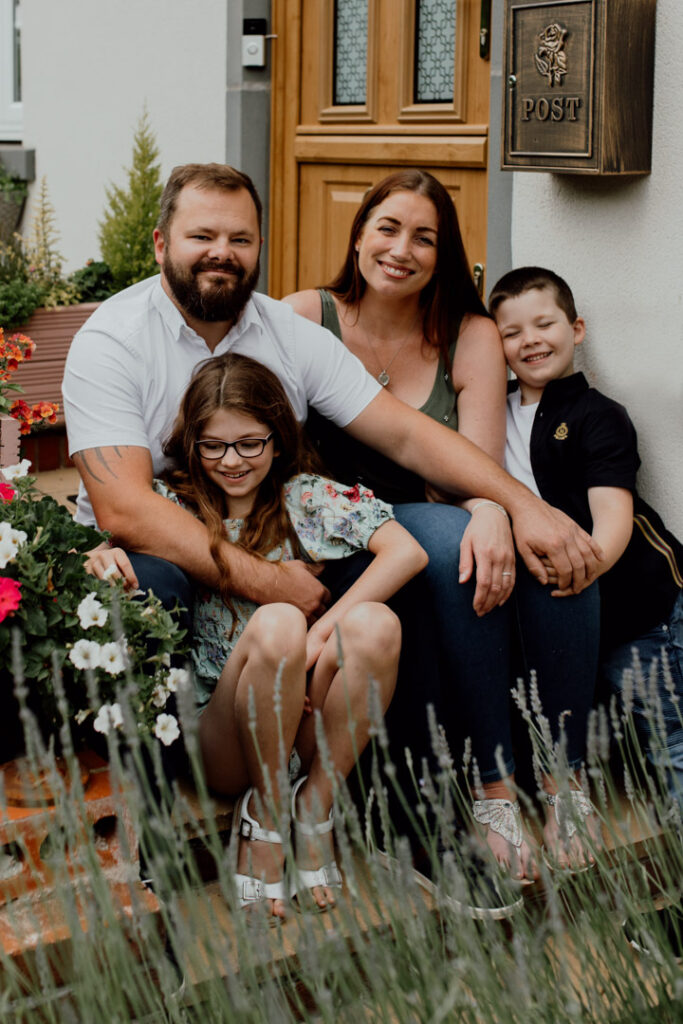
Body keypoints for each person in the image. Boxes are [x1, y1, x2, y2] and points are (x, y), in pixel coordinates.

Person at [283, 170, 601, 877]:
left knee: (554, 550)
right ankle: (491, 790)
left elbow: (474, 465)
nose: (402, 249)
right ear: (358, 234)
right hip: (329, 528)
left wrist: (499, 510)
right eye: (387, 228)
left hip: (436, 508)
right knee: (464, 540)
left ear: (444, 253)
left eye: (424, 237)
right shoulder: (306, 314)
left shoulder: (469, 333)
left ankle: (561, 784)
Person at [92, 352, 427, 920]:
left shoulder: (305, 497)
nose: (233, 460)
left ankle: (314, 803)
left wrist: (318, 638)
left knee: (377, 624)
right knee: (279, 621)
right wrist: (102, 558)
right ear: (192, 444)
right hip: (224, 733)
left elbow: (407, 551)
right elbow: (104, 547)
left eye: (250, 442)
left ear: (277, 438)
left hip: (305, 723)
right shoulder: (173, 506)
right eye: (214, 445)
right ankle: (264, 815)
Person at [489, 266, 683, 827]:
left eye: (544, 323)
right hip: (558, 612)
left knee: (661, 716)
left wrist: (580, 574)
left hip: (639, 609)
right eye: (512, 332)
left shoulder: (599, 415)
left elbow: (614, 521)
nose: (530, 340)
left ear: (575, 328)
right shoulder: (491, 413)